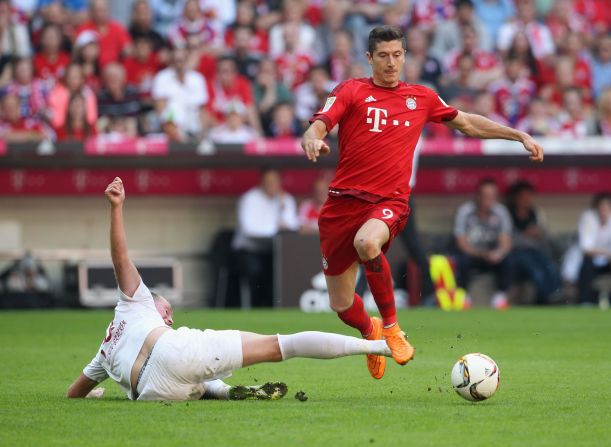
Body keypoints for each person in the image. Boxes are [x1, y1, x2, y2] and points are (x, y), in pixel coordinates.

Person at [301, 26, 543, 380]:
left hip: (388, 201)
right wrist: (311, 138)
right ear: (369, 58)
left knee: (367, 242)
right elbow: (320, 124)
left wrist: (517, 133)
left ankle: (392, 328)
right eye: (383, 56)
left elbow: (468, 124)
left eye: (397, 55)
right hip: (341, 204)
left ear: (405, 56)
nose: (391, 62)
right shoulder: (351, 90)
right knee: (340, 304)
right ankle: (370, 330)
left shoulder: (422, 97)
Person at [66, 177, 393, 401]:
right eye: (167, 312)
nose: (169, 318)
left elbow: (74, 392)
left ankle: (226, 391)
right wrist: (117, 207)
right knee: (281, 345)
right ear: (150, 301)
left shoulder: (104, 351)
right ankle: (381, 347)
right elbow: (119, 256)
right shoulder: (134, 301)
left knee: (198, 376)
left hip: (153, 392)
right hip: (172, 355)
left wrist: (93, 392)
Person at [232, 169, 299, 307]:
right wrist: (275, 228)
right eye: (268, 182)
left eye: (274, 182)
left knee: (284, 267)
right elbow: (249, 229)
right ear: (261, 182)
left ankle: (277, 306)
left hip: (274, 250)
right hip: (248, 249)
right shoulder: (249, 198)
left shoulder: (286, 199)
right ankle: (254, 306)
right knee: (256, 269)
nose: (271, 185)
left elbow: (293, 226)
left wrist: (282, 208)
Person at [453, 178, 516, 309]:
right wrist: (482, 254)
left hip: (493, 255)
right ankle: (464, 297)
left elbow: (506, 241)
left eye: (492, 196)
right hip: (473, 254)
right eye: (485, 195)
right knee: (461, 260)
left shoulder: (501, 212)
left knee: (510, 259)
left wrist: (498, 253)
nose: (488, 199)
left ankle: (500, 297)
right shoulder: (465, 211)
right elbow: (461, 243)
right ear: (477, 196)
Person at [506, 180, 561, 304]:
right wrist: (526, 235)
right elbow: (508, 239)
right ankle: (545, 298)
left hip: (536, 251)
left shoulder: (535, 213)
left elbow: (546, 237)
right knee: (536, 270)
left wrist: (538, 234)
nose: (526, 199)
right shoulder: (508, 214)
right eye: (523, 196)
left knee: (550, 266)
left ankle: (557, 295)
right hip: (517, 253)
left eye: (529, 196)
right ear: (516, 197)